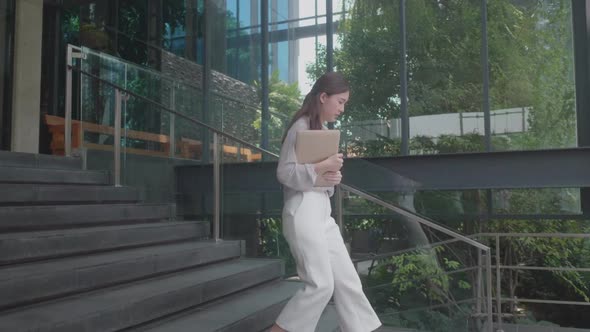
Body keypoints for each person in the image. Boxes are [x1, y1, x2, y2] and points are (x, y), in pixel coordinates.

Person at [270, 72, 382, 332]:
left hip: (321, 212)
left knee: (348, 281)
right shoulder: (300, 126)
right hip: (303, 210)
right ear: (323, 97)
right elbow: (284, 173)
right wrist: (322, 167)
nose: (342, 108)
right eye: (340, 102)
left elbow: (318, 178)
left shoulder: (322, 131)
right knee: (321, 285)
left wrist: (332, 176)